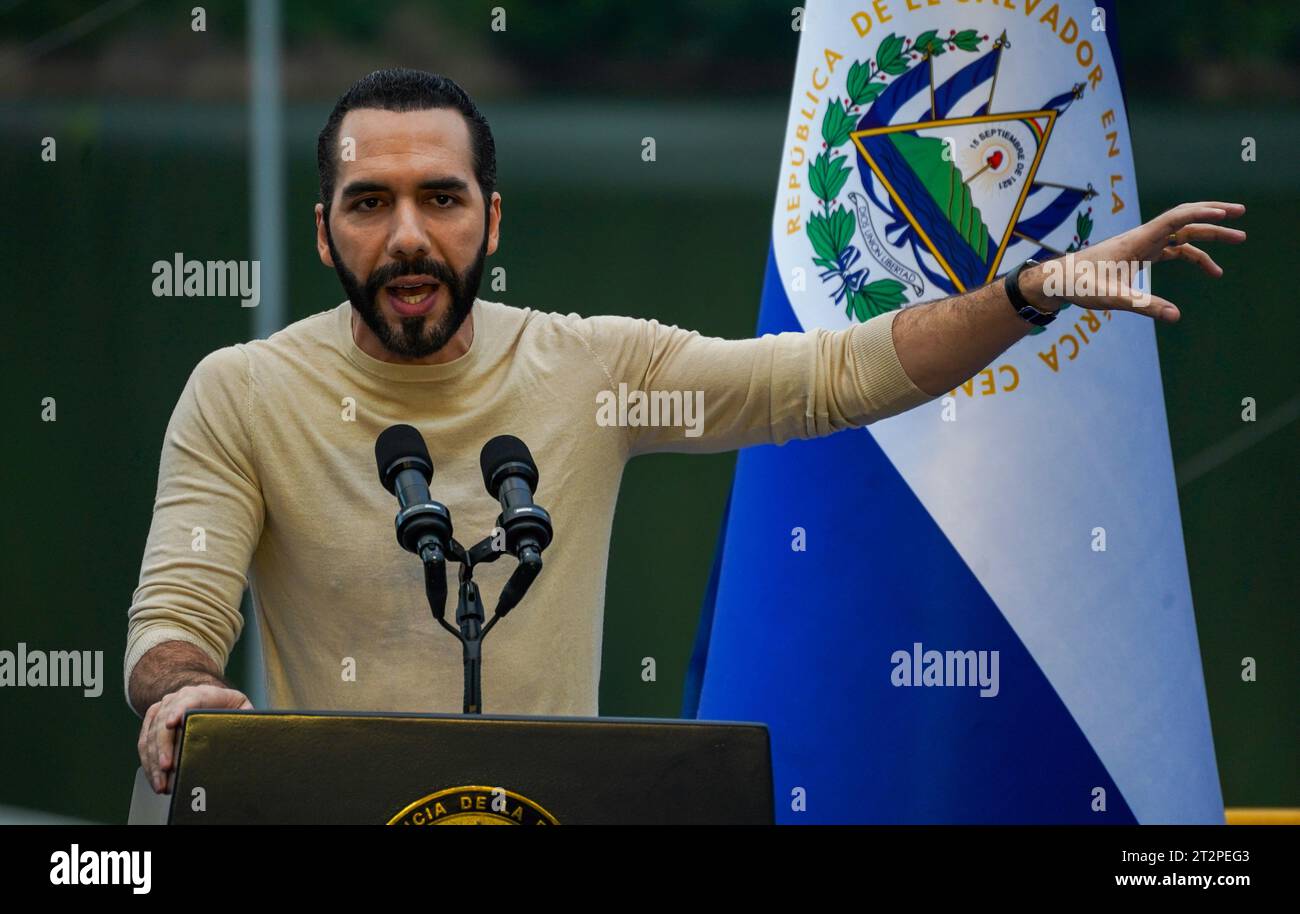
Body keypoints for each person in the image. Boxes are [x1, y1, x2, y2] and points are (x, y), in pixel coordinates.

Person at [128, 68, 1245, 794]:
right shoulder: (241, 390)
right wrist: (182, 687)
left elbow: (831, 376)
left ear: (491, 219)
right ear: (325, 233)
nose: (408, 235)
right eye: (370, 203)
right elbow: (176, 617)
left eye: (442, 198)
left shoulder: (594, 369)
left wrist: (1030, 289)